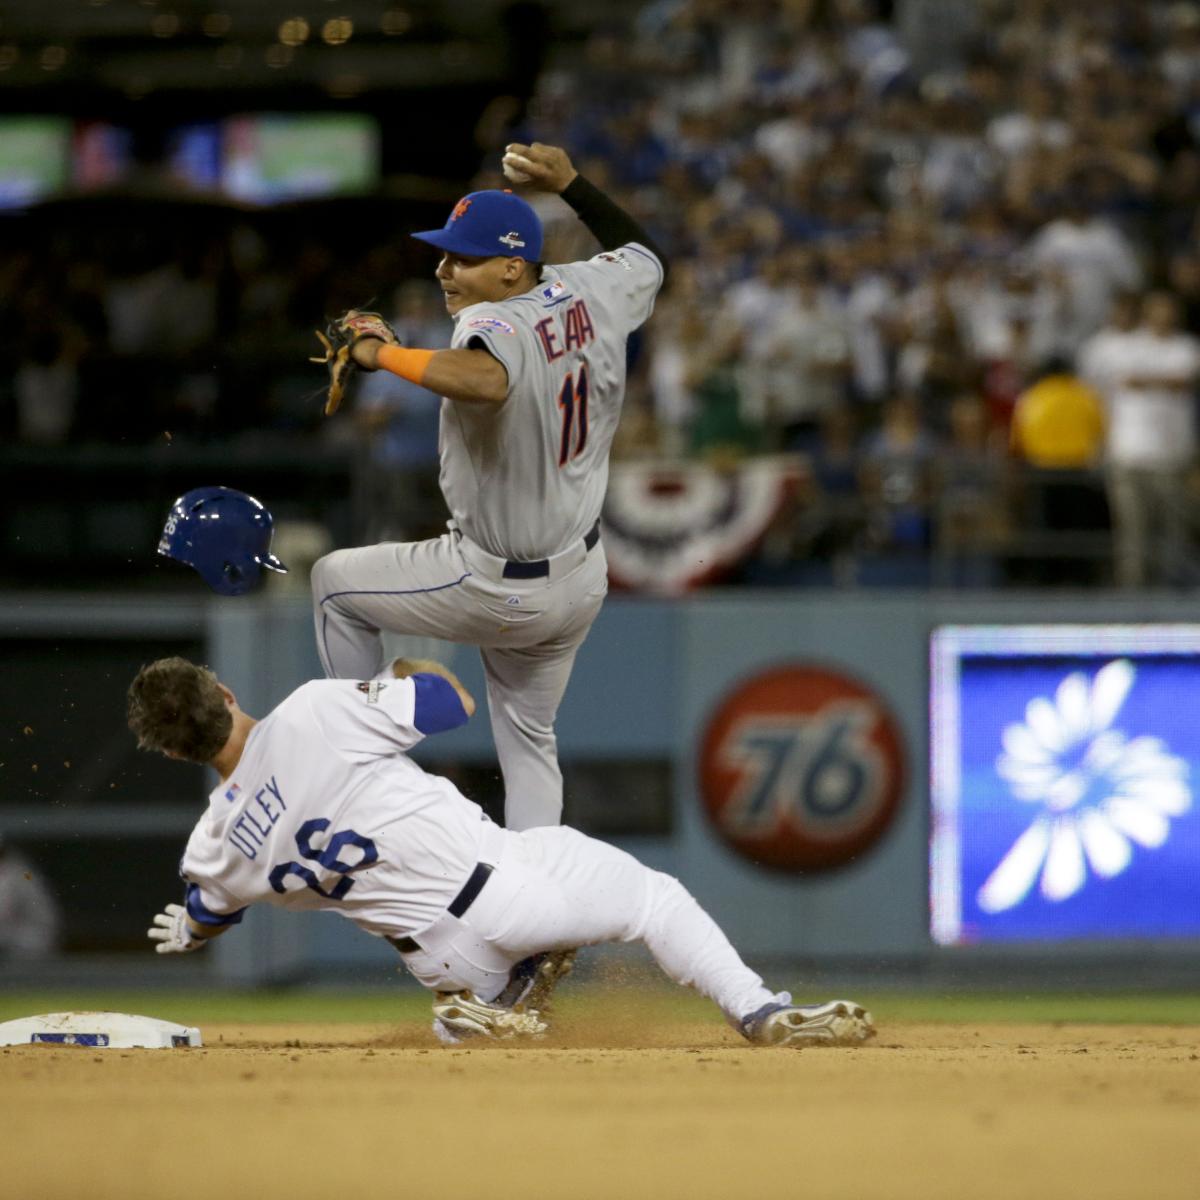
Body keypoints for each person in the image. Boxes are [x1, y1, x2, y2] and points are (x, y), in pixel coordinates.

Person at [127, 655, 875, 1049]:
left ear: (171, 752)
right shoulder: (312, 712)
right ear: (223, 691)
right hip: (502, 887)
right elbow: (450, 702)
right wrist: (401, 667)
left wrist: (192, 931)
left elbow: (209, 911)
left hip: (439, 960)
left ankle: (476, 1015)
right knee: (653, 898)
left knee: (499, 952)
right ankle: (756, 1011)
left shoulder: (213, 847)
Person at [310, 143, 667, 835]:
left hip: (497, 581)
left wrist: (379, 353)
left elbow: (484, 380)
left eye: (463, 258)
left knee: (332, 585)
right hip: (582, 575)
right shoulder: (593, 285)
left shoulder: (490, 320)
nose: (445, 270)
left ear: (512, 267)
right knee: (530, 741)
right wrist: (574, 185)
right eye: (443, 255)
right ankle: (543, 914)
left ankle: (366, 772)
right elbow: (647, 254)